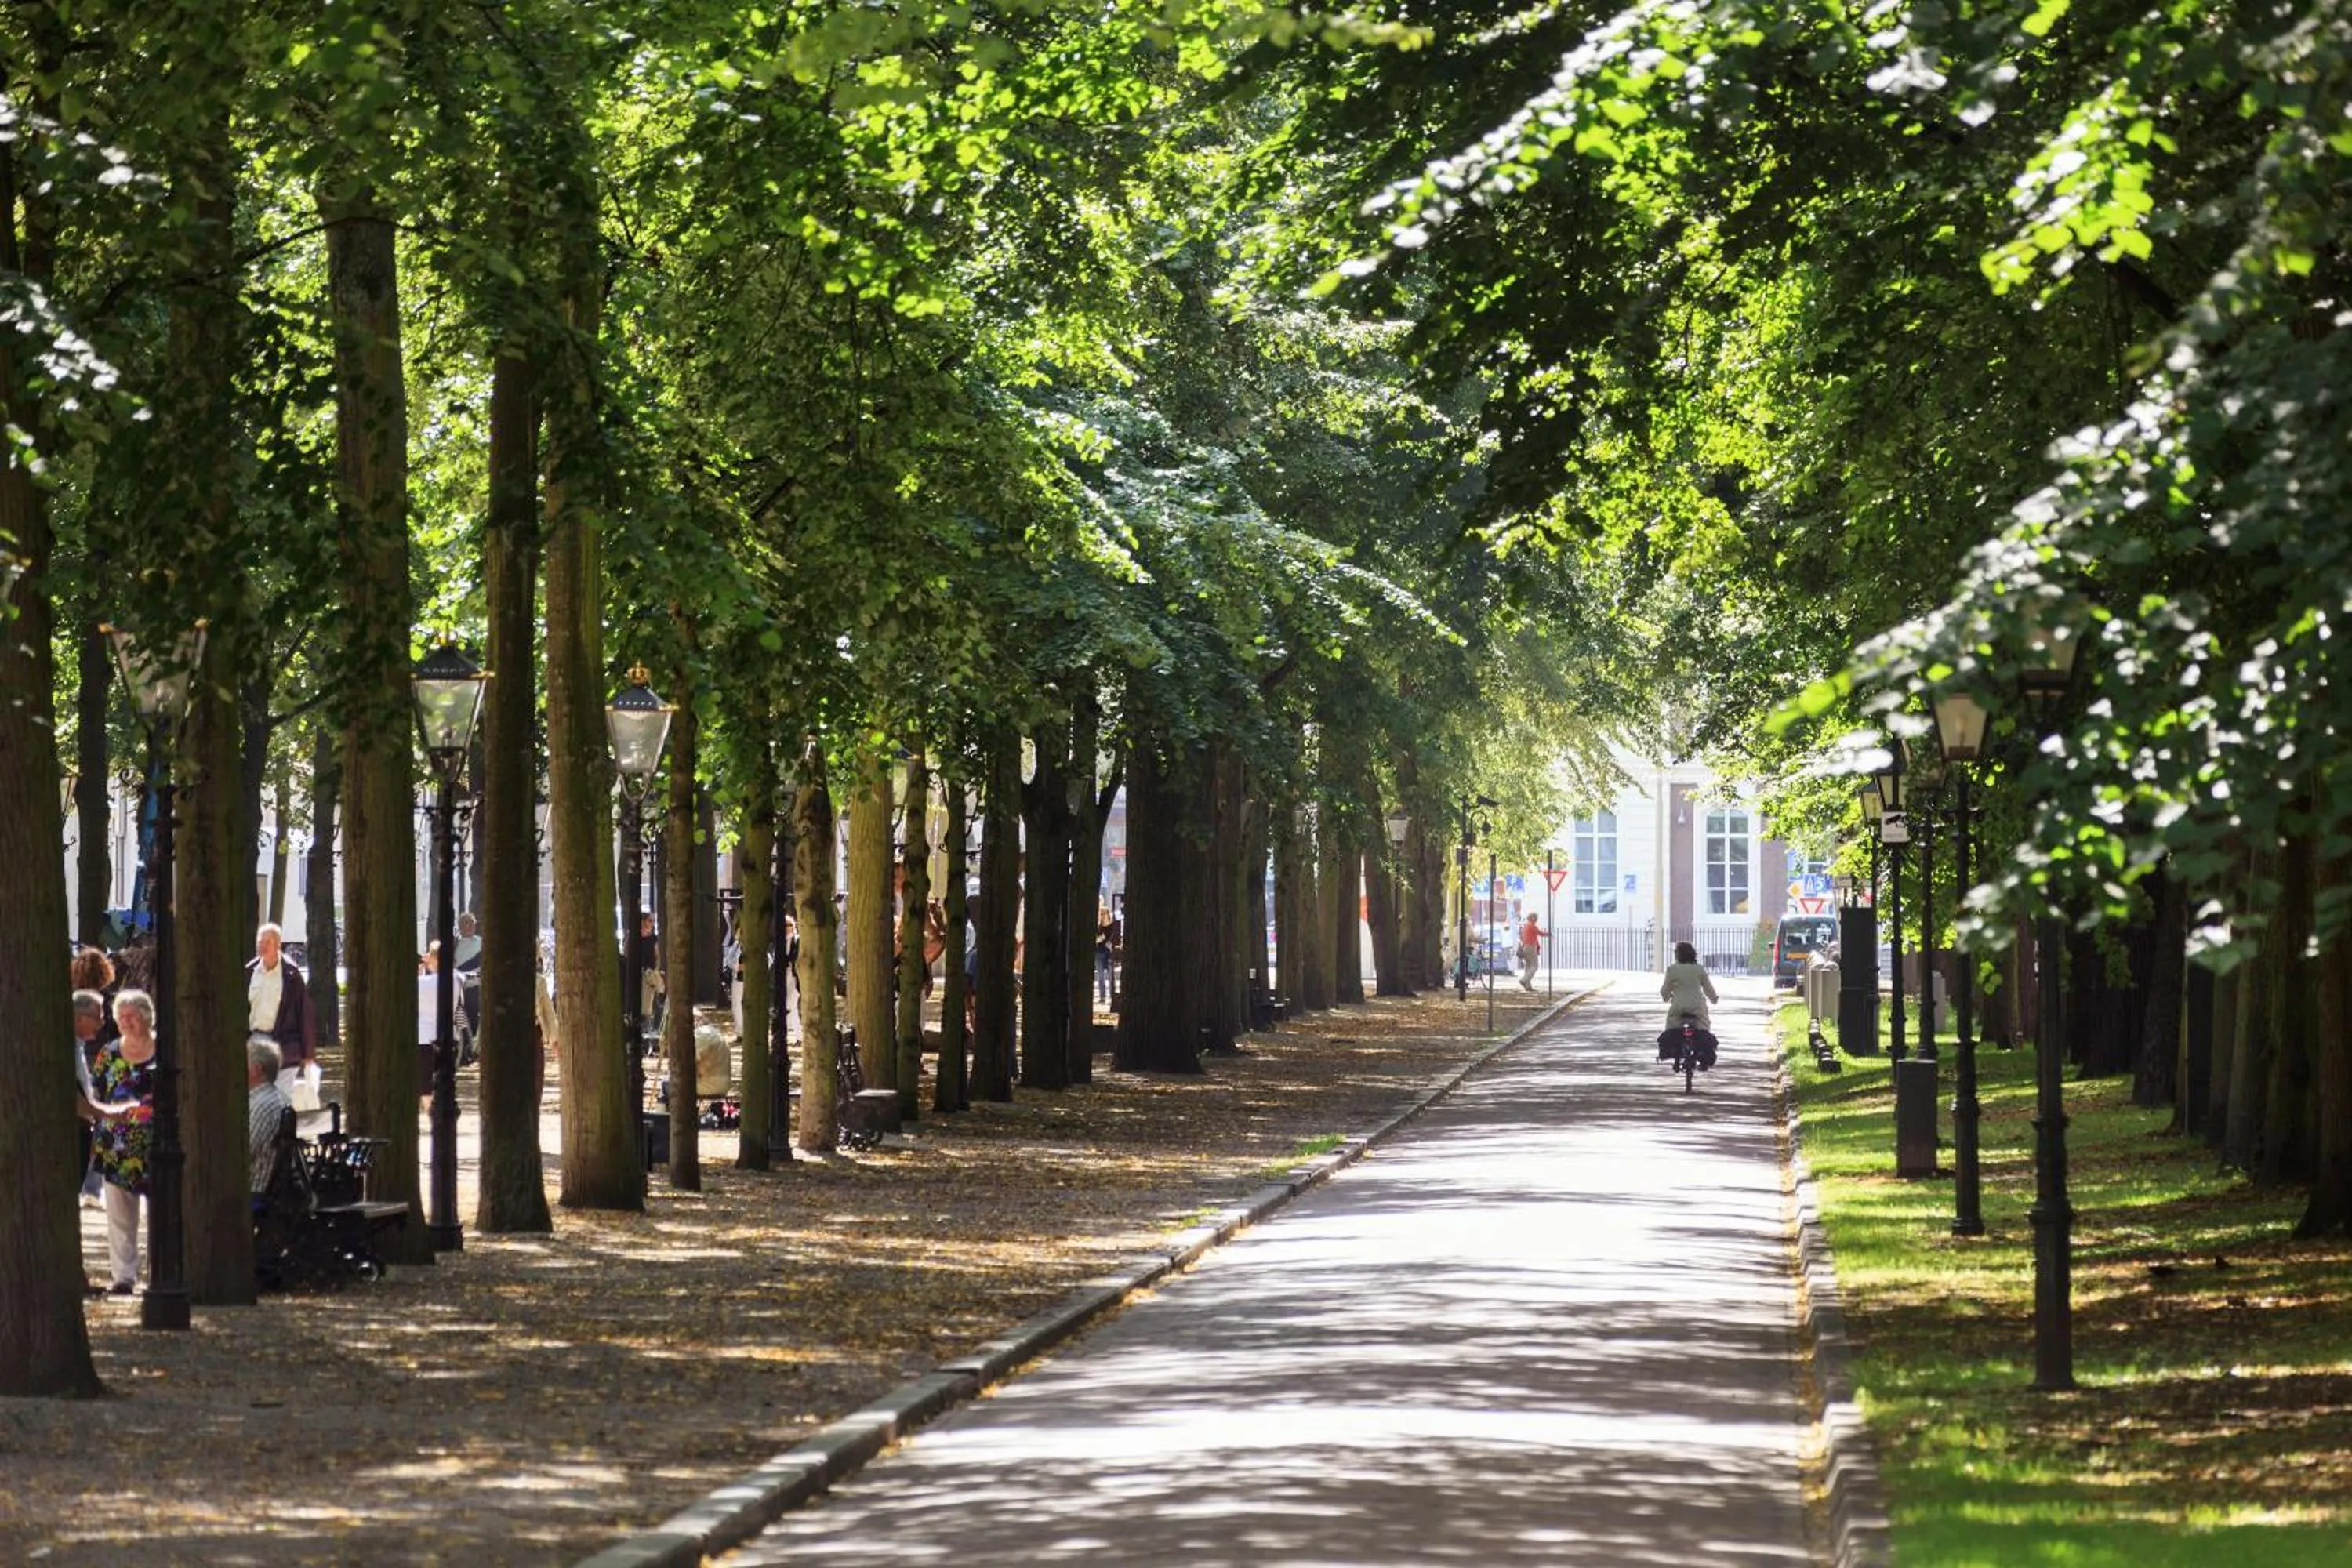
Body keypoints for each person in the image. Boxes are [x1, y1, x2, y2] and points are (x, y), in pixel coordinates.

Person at [90, 989, 161, 1296]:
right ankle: (124, 1276)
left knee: (162, 1212)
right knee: (120, 1215)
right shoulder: (109, 1053)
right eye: (121, 1017)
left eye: (132, 1016)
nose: (126, 1022)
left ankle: (160, 1272)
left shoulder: (165, 1049)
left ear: (147, 1017)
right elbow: (95, 1094)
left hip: (158, 1146)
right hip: (116, 1146)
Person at [245, 923, 316, 1094]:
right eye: (259, 941)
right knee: (257, 1095)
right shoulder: (249, 972)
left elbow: (304, 1014)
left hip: (284, 1044)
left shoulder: (291, 975)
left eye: (267, 942)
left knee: (282, 1096)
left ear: (278, 944)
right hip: (256, 1041)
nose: (262, 945)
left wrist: (308, 1054)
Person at [71, 989, 107, 1207]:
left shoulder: (78, 1046)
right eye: (98, 1017)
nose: (102, 1023)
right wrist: (105, 1113)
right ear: (79, 1017)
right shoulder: (68, 1047)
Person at [1658, 941, 1720, 1066]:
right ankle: (1702, 1055)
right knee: (1703, 1028)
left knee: (1672, 1027)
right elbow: (1708, 988)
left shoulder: (1672, 970)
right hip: (1697, 1008)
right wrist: (1714, 998)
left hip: (1678, 1007)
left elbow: (1665, 990)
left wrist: (1667, 997)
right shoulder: (1699, 969)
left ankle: (1676, 1052)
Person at [245, 1037, 292, 1196]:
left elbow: (245, 1152)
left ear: (256, 1069)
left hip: (255, 1189)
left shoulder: (261, 1105)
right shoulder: (281, 1098)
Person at [1516, 912, 1548, 992]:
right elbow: (1541, 933)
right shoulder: (1532, 926)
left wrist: (1538, 948)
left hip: (1525, 947)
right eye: (1536, 918)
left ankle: (1528, 986)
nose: (1537, 919)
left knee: (1528, 966)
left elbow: (1524, 938)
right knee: (1535, 966)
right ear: (1534, 919)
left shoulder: (1525, 927)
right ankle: (1524, 980)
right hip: (1530, 947)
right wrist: (1548, 934)